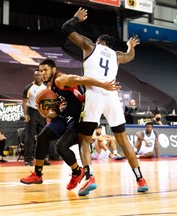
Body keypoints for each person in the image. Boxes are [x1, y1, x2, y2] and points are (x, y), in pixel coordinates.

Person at [62, 7, 148, 196]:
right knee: (124, 141)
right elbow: (130, 56)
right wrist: (130, 47)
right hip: (112, 98)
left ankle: (89, 177)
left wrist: (76, 18)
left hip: (94, 95)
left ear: (99, 42)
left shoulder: (90, 46)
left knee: (84, 140)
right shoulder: (117, 56)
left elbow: (66, 28)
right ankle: (140, 178)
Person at [20, 58, 118, 191]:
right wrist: (45, 114)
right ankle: (37, 174)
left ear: (53, 70)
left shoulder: (60, 79)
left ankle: (77, 172)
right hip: (64, 116)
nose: (42, 73)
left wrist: (102, 84)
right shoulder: (50, 88)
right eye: (40, 70)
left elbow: (80, 78)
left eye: (45, 70)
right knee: (42, 137)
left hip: (78, 117)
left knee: (61, 146)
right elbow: (55, 113)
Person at [22, 69, 49, 166]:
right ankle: (28, 159)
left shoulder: (46, 87)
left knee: (42, 137)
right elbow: (24, 102)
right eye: (36, 75)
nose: (37, 77)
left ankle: (42, 158)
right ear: (34, 77)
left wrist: (47, 114)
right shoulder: (28, 87)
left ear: (42, 76)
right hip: (31, 112)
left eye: (39, 75)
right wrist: (25, 114)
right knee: (30, 137)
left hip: (42, 113)